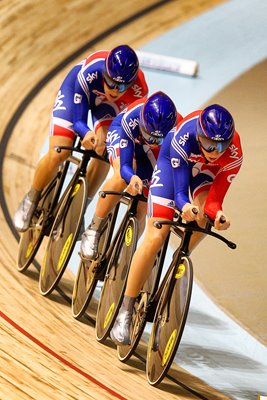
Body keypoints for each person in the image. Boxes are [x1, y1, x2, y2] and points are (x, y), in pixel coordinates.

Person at [110, 104, 243, 345]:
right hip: (173, 168)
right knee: (156, 236)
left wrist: (218, 214)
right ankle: (125, 311)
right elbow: (180, 193)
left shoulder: (234, 154)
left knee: (204, 217)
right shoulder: (183, 136)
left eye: (222, 145)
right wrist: (183, 207)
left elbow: (214, 201)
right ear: (199, 134)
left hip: (205, 174)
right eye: (210, 144)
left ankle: (179, 257)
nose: (215, 151)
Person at [14, 44, 148, 232]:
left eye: (122, 85)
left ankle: (79, 209)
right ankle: (31, 198)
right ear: (105, 72)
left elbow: (124, 128)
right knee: (59, 152)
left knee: (104, 150)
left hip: (108, 109)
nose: (115, 90)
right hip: (77, 96)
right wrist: (85, 132)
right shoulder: (91, 70)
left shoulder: (139, 90)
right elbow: (77, 119)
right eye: (110, 82)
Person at [80, 91, 181, 259]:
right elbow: (126, 165)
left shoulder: (178, 133)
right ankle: (93, 229)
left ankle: (125, 255)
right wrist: (131, 176)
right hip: (124, 135)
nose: (152, 140)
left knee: (144, 201)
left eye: (158, 139)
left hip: (152, 153)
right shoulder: (132, 118)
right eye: (149, 134)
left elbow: (175, 170)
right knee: (121, 176)